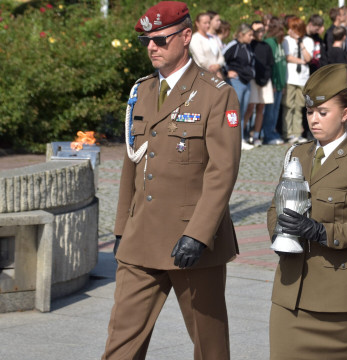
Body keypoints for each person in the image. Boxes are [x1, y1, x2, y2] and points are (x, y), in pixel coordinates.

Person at [103, 2, 241, 359]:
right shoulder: (142, 91)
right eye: (147, 41)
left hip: (191, 242)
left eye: (161, 40)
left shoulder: (215, 92)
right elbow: (132, 163)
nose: (152, 47)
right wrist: (121, 228)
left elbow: (221, 171)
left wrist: (198, 234)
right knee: (121, 341)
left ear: (185, 37)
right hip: (141, 236)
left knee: (209, 345)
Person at [267, 63, 347, 360]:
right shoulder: (297, 154)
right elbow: (275, 205)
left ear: (344, 114)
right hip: (291, 293)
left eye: (323, 112)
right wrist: (280, 234)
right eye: (309, 112)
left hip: (339, 300)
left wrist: (321, 232)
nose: (313, 120)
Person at [223, 23, 255, 149]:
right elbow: (221, 59)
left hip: (247, 82)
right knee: (233, 111)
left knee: (242, 111)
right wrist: (226, 72)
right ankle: (231, 140)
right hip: (236, 81)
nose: (252, 37)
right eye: (250, 35)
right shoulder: (233, 45)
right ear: (241, 34)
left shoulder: (248, 46)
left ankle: (240, 139)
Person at [282, 16, 314, 144]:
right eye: (291, 29)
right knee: (288, 105)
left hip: (302, 78)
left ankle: (297, 133)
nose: (293, 31)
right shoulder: (286, 40)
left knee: (300, 106)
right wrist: (300, 60)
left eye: (296, 29)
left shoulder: (308, 41)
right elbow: (287, 57)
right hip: (290, 77)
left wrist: (300, 43)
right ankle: (288, 132)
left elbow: (308, 58)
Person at [245, 21, 275, 147]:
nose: (260, 33)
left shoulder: (266, 46)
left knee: (261, 108)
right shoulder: (249, 45)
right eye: (257, 30)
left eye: (262, 30)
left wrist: (269, 80)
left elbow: (270, 64)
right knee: (250, 107)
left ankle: (256, 135)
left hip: (265, 79)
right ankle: (241, 133)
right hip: (252, 79)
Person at [263, 18, 287, 145]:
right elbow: (271, 65)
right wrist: (273, 82)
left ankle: (272, 131)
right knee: (270, 110)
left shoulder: (279, 43)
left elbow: (281, 64)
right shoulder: (269, 42)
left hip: (280, 83)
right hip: (273, 83)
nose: (282, 33)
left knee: (275, 110)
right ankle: (267, 134)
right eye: (280, 30)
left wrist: (282, 83)